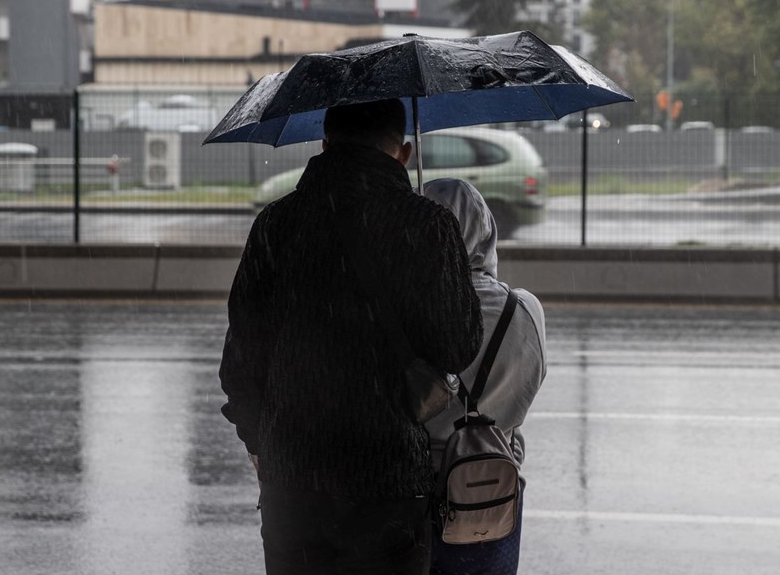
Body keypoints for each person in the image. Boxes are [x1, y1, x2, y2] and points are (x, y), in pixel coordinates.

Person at [218, 99, 483, 575]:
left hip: (294, 482)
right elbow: (459, 344)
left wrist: (260, 442)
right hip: (390, 479)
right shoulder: (427, 225)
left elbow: (240, 360)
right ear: (403, 153)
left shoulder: (276, 225)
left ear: (324, 144)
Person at [423, 178, 547, 575]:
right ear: (487, 228)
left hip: (420, 490)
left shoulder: (408, 312)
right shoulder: (524, 309)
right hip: (495, 488)